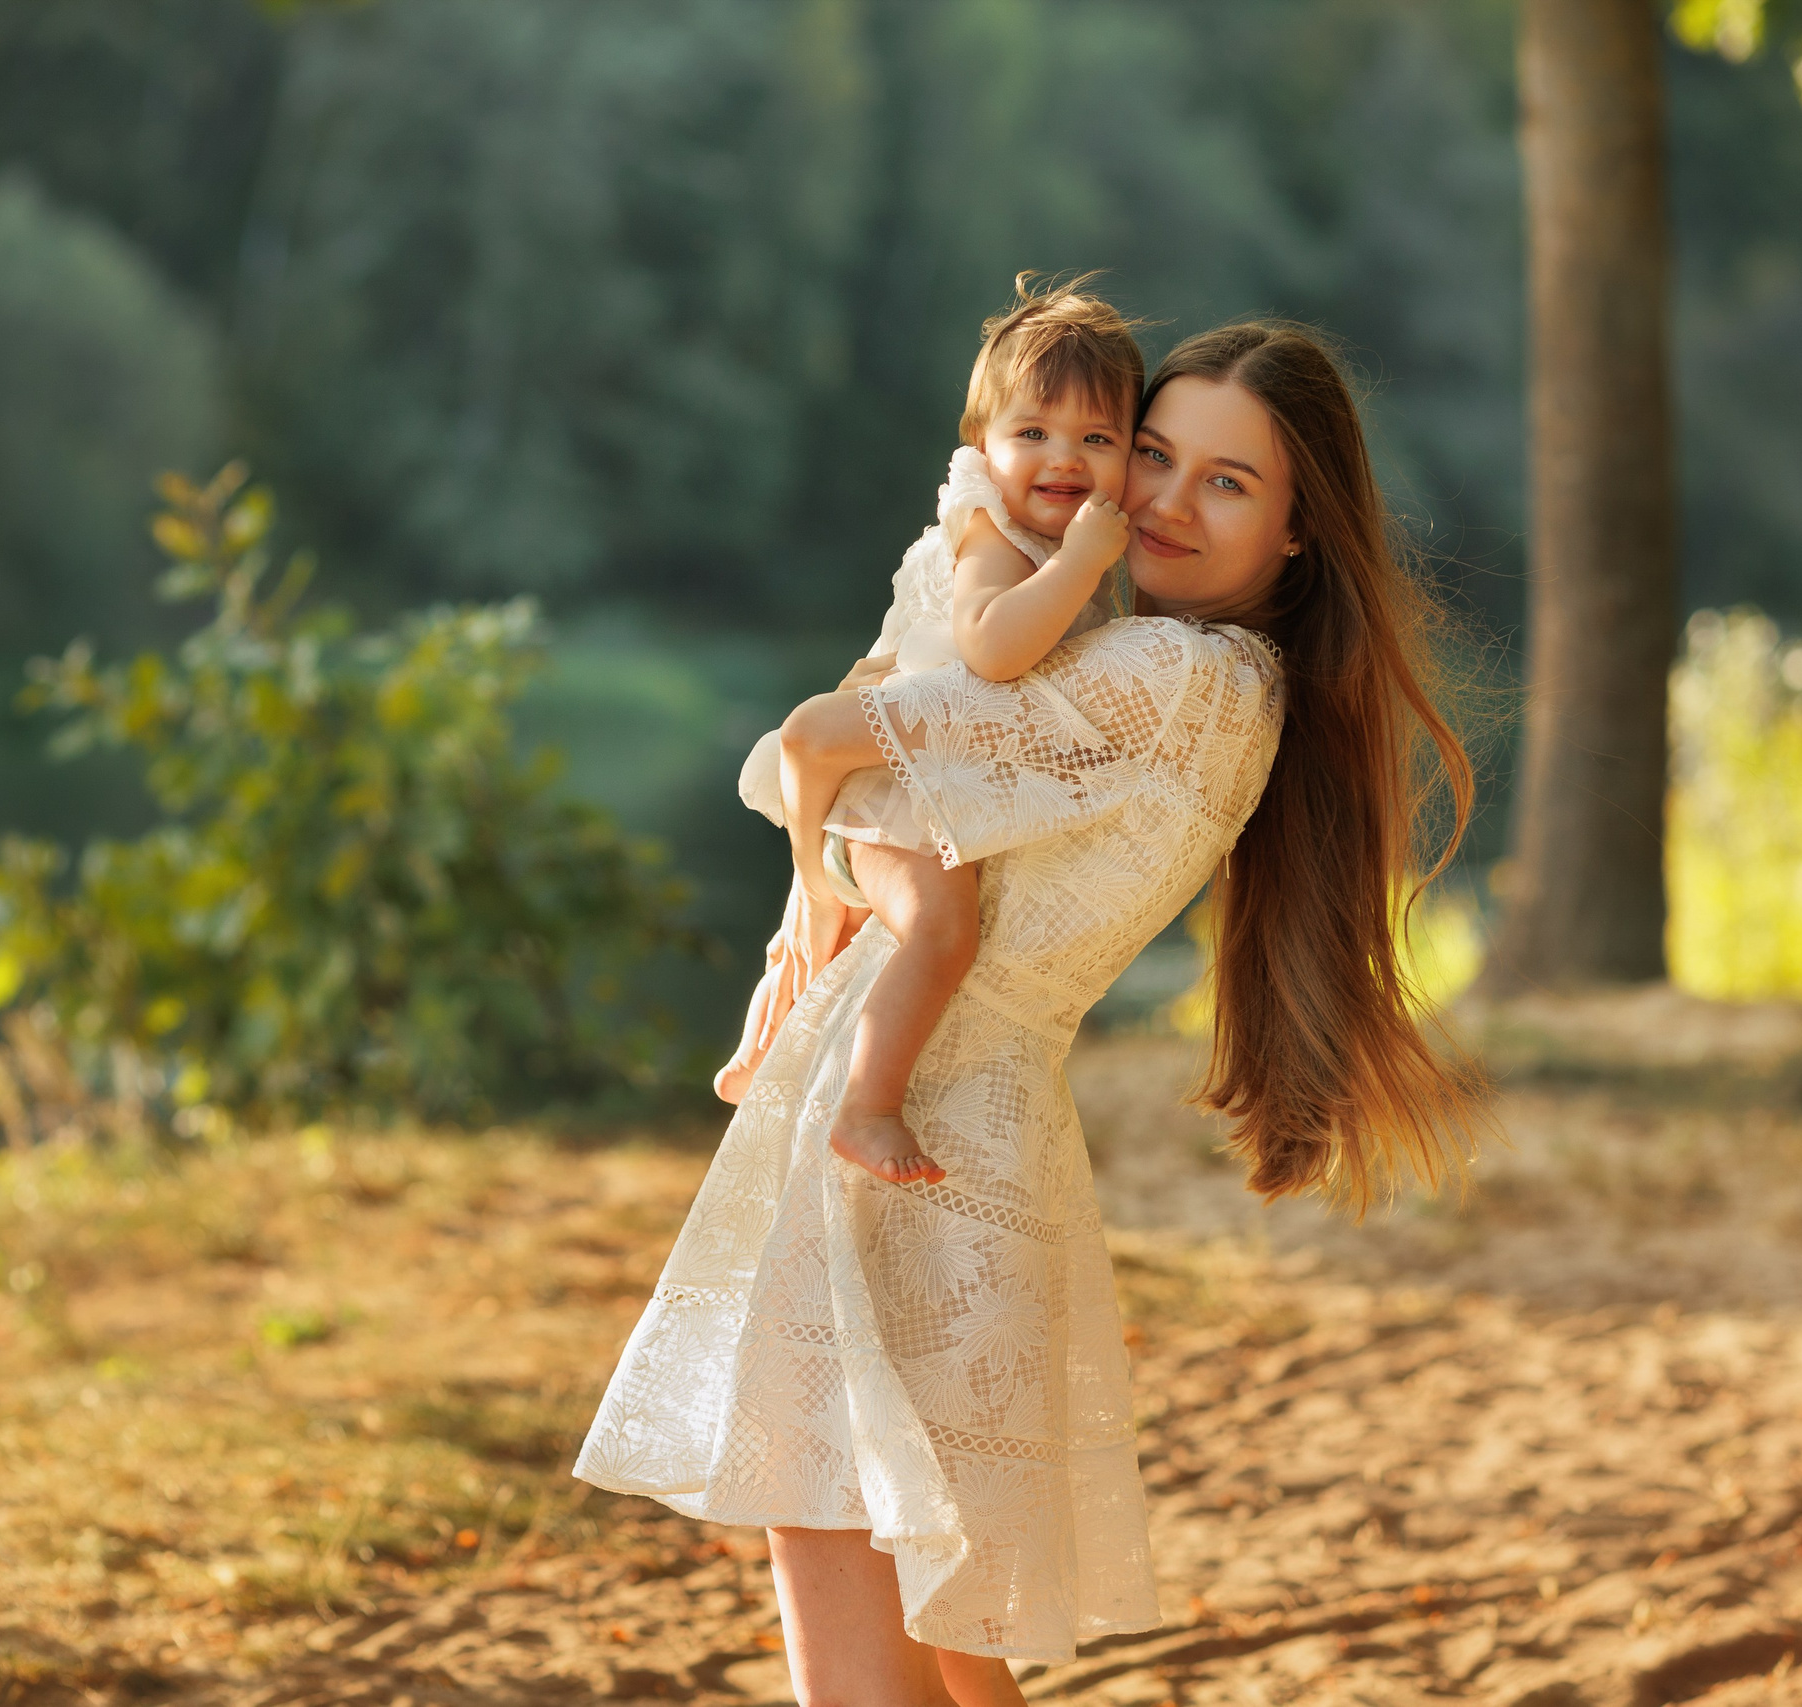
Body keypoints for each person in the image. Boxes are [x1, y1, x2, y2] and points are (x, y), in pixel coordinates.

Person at [576, 320, 1483, 1707]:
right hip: (947, 1118)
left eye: (1227, 483)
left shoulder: (1182, 680)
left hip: (923, 1126)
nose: (1162, 501)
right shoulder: (1163, 666)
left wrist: (825, 866)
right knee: (933, 1627)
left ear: (1301, 535)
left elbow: (812, 747)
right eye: (1154, 455)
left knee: (852, 1561)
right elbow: (899, 786)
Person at [712, 276, 1146, 1199]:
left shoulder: (1049, 545)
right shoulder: (1000, 540)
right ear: (983, 448)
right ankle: (868, 1102)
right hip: (895, 785)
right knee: (942, 936)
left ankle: (763, 1060)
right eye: (1032, 433)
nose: (1063, 457)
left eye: (1096, 438)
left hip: (909, 772)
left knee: (821, 940)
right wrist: (1080, 560)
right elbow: (992, 650)